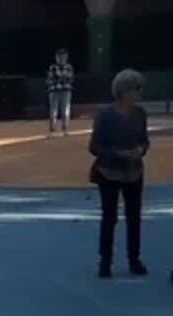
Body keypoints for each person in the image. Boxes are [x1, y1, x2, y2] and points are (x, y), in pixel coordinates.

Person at [89, 68, 150, 278]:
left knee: (134, 217)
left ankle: (134, 259)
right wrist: (120, 154)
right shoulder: (105, 116)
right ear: (124, 91)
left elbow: (144, 139)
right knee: (110, 217)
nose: (140, 93)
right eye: (137, 89)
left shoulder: (140, 113)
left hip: (134, 171)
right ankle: (105, 261)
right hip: (109, 173)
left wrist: (141, 150)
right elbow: (95, 146)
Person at [47, 49, 75, 136]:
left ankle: (65, 129)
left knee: (65, 110)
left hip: (66, 91)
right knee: (53, 111)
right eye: (59, 56)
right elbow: (51, 79)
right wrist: (62, 77)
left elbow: (70, 78)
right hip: (54, 91)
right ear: (56, 57)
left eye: (64, 56)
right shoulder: (52, 67)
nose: (61, 58)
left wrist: (60, 77)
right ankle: (52, 130)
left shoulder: (69, 67)